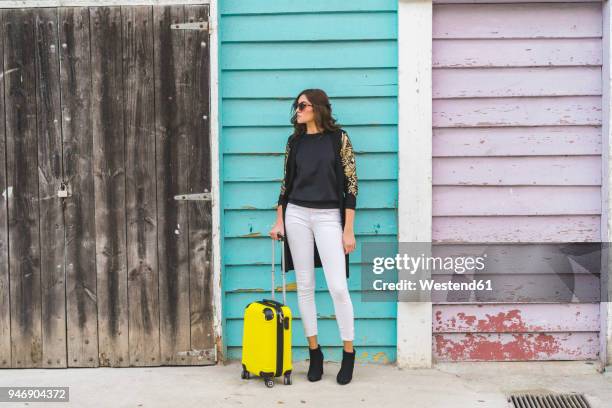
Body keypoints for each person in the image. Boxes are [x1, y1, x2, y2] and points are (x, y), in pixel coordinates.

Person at [269, 88, 358, 385]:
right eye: (296, 106)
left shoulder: (338, 139)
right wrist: (279, 220)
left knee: (337, 288)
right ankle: (315, 352)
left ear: (318, 107)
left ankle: (348, 353)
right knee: (305, 286)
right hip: (296, 214)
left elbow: (351, 186)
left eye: (303, 105)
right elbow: (286, 183)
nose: (298, 110)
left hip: (328, 216)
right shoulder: (294, 142)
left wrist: (348, 229)